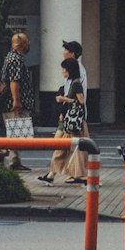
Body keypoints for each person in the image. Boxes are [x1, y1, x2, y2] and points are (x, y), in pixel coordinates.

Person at [36, 58, 87, 186]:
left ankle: (54, 175)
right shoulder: (71, 83)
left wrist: (65, 99)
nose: (62, 72)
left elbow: (81, 102)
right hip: (70, 122)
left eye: (64, 70)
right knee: (66, 149)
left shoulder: (76, 84)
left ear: (69, 70)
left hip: (73, 124)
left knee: (62, 149)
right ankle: (53, 174)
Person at [0, 32, 34, 171]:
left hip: (13, 102)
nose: (28, 44)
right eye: (27, 42)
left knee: (15, 132)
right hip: (15, 103)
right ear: (21, 44)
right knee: (18, 134)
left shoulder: (12, 58)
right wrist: (16, 100)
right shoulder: (15, 59)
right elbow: (14, 81)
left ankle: (14, 160)